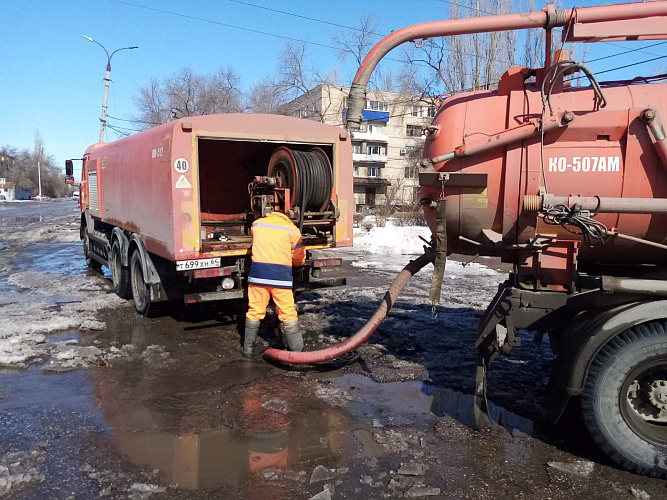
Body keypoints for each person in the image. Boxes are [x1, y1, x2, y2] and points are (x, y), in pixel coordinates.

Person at [242, 208, 306, 358]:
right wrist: (298, 267)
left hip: (258, 277)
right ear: (287, 217)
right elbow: (298, 257)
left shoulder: (257, 225)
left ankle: (247, 350)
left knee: (254, 311)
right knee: (287, 313)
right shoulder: (292, 230)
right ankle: (297, 352)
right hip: (280, 278)